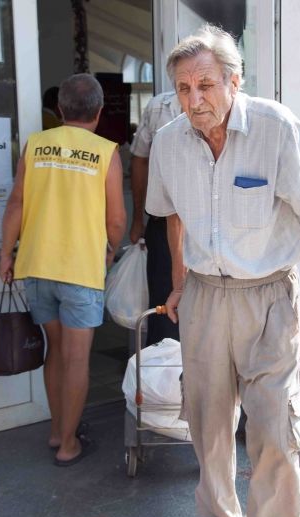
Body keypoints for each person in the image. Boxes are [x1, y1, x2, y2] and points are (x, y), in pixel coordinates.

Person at [145, 24, 300, 517]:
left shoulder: (277, 128)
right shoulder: (169, 141)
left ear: (235, 81)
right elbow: (172, 216)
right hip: (205, 297)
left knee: (274, 425)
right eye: (184, 88)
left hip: (269, 297)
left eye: (205, 85)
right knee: (207, 421)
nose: (194, 100)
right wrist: (179, 282)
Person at [0, 74, 126, 466]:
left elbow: (16, 203)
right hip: (81, 270)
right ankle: (69, 444)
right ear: (99, 112)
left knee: (55, 351)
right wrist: (110, 252)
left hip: (37, 265)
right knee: (76, 358)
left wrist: (5, 255)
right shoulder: (106, 152)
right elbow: (116, 220)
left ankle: (57, 430)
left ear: (59, 109)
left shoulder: (36, 145)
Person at [130, 91, 182, 345]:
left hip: (212, 227)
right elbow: (139, 161)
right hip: (163, 223)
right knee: (164, 309)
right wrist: (137, 219)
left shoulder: (232, 104)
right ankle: (164, 367)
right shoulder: (159, 106)